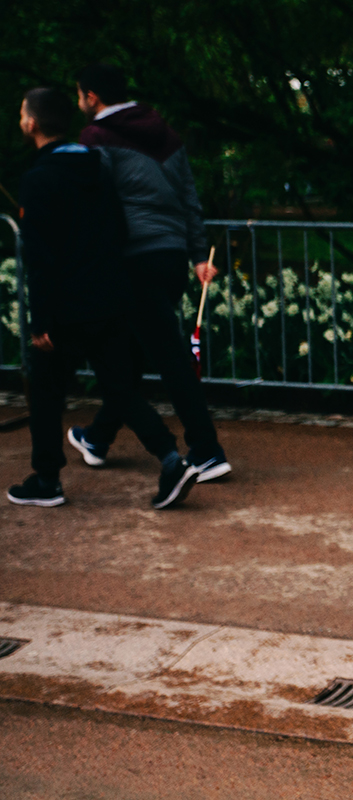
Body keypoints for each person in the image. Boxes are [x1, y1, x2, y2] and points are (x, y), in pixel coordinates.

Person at [8, 88, 200, 509]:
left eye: (23, 115)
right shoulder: (98, 167)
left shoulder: (39, 179)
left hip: (64, 305)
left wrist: (41, 320)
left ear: (32, 123)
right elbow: (116, 231)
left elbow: (40, 258)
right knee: (120, 389)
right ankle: (171, 458)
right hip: (109, 297)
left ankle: (46, 480)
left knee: (46, 393)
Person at [67, 62, 230, 483]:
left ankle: (207, 449)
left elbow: (95, 206)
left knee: (167, 357)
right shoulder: (168, 135)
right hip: (171, 256)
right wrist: (197, 254)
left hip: (132, 259)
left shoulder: (95, 137)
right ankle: (99, 437)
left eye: (79, 94)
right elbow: (189, 199)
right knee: (134, 353)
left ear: (91, 96)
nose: (78, 101)